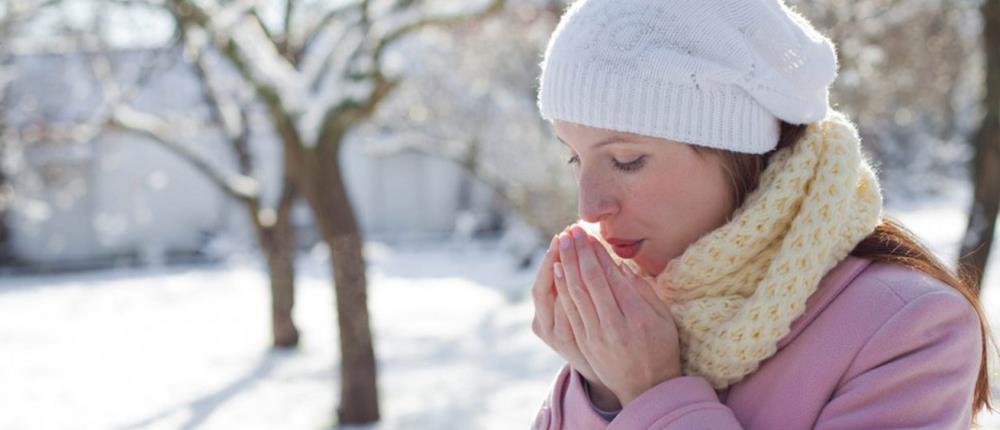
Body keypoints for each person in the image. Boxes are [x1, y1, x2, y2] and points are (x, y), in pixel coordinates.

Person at [528, 0, 994, 429]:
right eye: (575, 159)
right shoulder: (642, 314)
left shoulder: (908, 328)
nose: (589, 206)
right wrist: (602, 390)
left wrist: (652, 392)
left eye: (627, 160)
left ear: (736, 150)